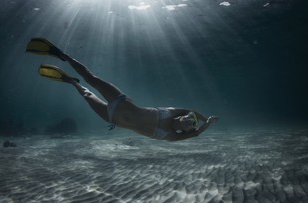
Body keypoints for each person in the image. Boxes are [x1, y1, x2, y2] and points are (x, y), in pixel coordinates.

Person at [26, 38, 219, 141]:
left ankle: (70, 81)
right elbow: (192, 113)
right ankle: (62, 54)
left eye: (189, 124)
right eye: (188, 118)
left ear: (186, 129)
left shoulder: (171, 137)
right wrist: (204, 117)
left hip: (111, 118)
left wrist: (206, 124)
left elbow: (196, 133)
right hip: (121, 100)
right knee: (91, 78)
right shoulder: (174, 112)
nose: (187, 120)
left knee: (85, 93)